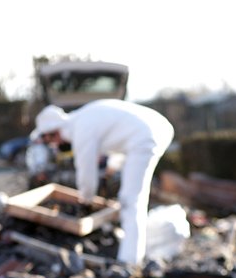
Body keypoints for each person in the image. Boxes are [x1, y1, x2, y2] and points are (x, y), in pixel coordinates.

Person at [30, 99, 175, 266]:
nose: (54, 145)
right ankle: (132, 256)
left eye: (50, 140)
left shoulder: (80, 129)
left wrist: (86, 198)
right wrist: (112, 167)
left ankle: (129, 261)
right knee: (131, 199)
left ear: (53, 133)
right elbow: (122, 134)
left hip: (147, 135)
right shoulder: (84, 117)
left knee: (131, 200)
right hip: (153, 129)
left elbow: (86, 171)